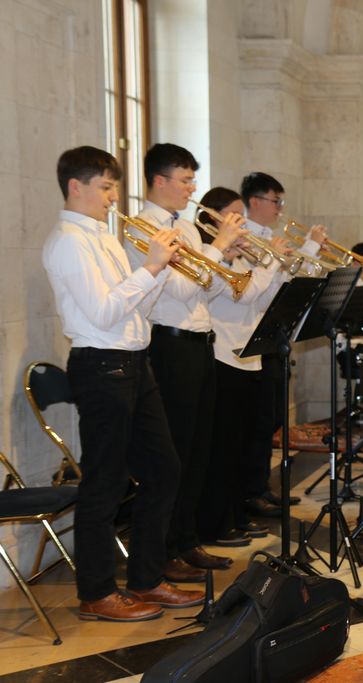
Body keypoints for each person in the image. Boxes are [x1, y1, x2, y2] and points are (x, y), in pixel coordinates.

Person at [43, 146, 203, 621]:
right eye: (106, 188)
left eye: (114, 187)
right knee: (106, 480)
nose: (114, 197)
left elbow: (134, 305)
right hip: (101, 366)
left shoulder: (104, 237)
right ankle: (95, 592)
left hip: (134, 362)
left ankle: (146, 579)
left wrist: (163, 266)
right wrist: (151, 267)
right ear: (76, 187)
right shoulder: (69, 241)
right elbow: (104, 311)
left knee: (163, 469)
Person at [127, 143, 248, 582]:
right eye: (185, 180)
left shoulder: (185, 228)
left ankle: (185, 539)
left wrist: (220, 256)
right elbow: (178, 290)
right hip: (170, 346)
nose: (191, 188)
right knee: (175, 451)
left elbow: (208, 289)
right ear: (159, 180)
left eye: (193, 180)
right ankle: (164, 550)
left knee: (199, 448)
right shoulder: (143, 227)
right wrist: (218, 248)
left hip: (200, 343)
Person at [194, 187, 292, 549]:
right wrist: (269, 264)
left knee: (242, 447)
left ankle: (236, 514)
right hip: (223, 357)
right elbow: (244, 293)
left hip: (247, 356)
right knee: (225, 448)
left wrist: (276, 269)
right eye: (235, 217)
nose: (243, 225)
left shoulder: (236, 259)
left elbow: (262, 300)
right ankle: (219, 522)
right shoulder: (210, 256)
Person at [238, 172, 324, 518]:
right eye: (275, 201)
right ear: (255, 201)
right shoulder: (244, 239)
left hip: (274, 333)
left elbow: (286, 286)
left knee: (271, 417)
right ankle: (249, 491)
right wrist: (282, 258)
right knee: (256, 420)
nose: (280, 209)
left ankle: (261, 486)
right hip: (251, 335)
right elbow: (256, 293)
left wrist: (301, 255)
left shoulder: (269, 239)